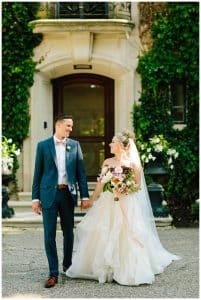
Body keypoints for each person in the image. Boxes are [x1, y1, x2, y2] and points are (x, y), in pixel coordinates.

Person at [66, 130, 180, 286]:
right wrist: (91, 200)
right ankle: (103, 267)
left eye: (113, 142)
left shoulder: (133, 164)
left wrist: (125, 187)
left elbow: (138, 186)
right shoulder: (107, 162)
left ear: (120, 145)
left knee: (127, 232)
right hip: (108, 202)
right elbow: (100, 183)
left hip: (127, 203)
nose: (110, 144)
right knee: (103, 231)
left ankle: (125, 269)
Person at [32, 114, 90, 288]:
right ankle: (53, 273)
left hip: (67, 195)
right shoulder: (42, 146)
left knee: (68, 232)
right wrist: (35, 198)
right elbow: (38, 173)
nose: (71, 129)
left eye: (71, 126)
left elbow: (81, 173)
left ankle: (67, 263)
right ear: (58, 125)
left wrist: (85, 195)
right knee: (49, 235)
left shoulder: (75, 145)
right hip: (48, 195)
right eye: (68, 126)